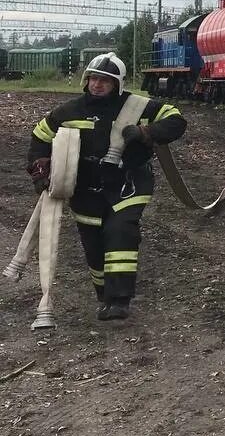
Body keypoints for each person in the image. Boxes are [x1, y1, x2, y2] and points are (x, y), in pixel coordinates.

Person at [26, 52, 187, 321]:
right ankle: (104, 296)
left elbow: (176, 120)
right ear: (85, 81)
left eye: (105, 81)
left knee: (120, 231)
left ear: (118, 84)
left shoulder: (137, 106)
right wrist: (40, 167)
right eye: (93, 79)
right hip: (85, 190)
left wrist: (146, 133)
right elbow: (40, 136)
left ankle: (120, 300)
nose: (97, 85)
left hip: (129, 183)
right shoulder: (69, 111)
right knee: (94, 244)